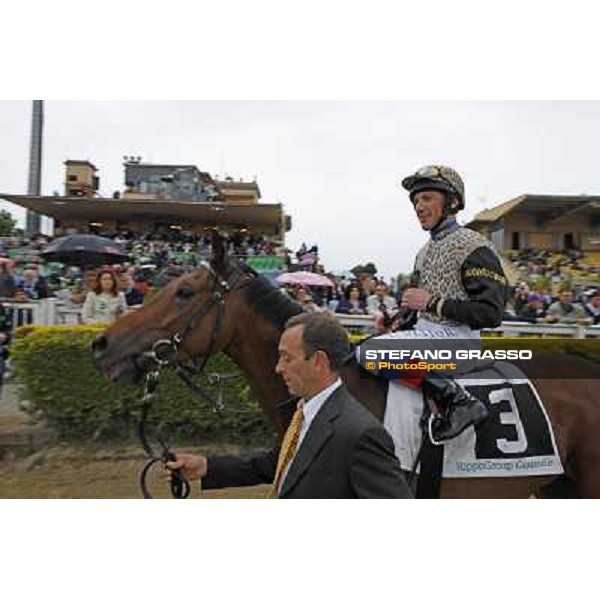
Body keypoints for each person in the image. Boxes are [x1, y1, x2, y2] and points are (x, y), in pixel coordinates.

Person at [166, 313, 412, 499]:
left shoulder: (361, 434)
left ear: (318, 361)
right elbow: (279, 465)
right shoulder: (305, 413)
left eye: (287, 358)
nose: (278, 368)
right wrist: (206, 467)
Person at [360, 165, 509, 443]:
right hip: (429, 336)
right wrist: (398, 316)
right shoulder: (423, 252)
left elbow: (491, 313)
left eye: (427, 198)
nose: (418, 206)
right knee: (364, 349)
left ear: (451, 202)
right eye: (416, 200)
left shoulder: (475, 245)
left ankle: (459, 401)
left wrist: (432, 303)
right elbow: (420, 306)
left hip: (459, 341)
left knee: (369, 352)